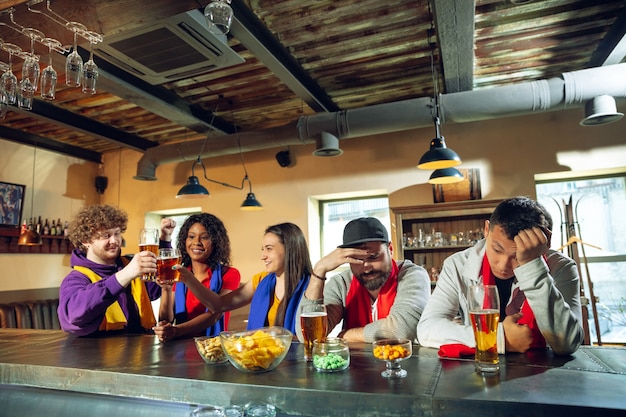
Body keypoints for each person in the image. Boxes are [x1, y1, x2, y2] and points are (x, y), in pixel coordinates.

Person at [417, 196, 584, 356]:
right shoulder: (457, 264)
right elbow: (427, 328)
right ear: (486, 229)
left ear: (543, 246)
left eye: (517, 256)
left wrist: (532, 265)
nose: (503, 265)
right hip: (481, 367)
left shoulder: (562, 267)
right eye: (497, 250)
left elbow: (568, 343)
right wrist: (498, 339)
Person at [297, 217, 431, 343]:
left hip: (406, 364)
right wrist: (319, 271)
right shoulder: (342, 283)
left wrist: (347, 335)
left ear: (390, 250)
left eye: (373, 257)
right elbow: (308, 336)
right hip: (357, 366)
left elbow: (401, 331)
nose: (366, 267)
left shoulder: (412, 275)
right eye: (356, 259)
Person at [58, 205, 175, 336]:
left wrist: (165, 239)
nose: (114, 241)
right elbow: (74, 315)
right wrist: (125, 275)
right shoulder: (76, 278)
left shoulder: (130, 264)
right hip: (99, 354)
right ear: (86, 241)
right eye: (106, 235)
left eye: (117, 233)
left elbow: (155, 290)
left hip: (143, 350)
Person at [174, 222, 312, 334]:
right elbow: (219, 305)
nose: (263, 256)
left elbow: (313, 335)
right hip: (262, 358)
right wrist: (188, 279)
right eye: (262, 249)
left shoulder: (312, 286)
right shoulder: (261, 280)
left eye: (269, 249)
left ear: (290, 249)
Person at [153, 213, 241, 342]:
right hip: (179, 348)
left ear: (216, 242)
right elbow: (166, 320)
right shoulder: (179, 273)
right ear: (185, 240)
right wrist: (166, 290)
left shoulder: (229, 274)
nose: (196, 242)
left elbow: (214, 315)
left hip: (213, 347)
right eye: (191, 237)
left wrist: (176, 330)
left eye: (204, 237)